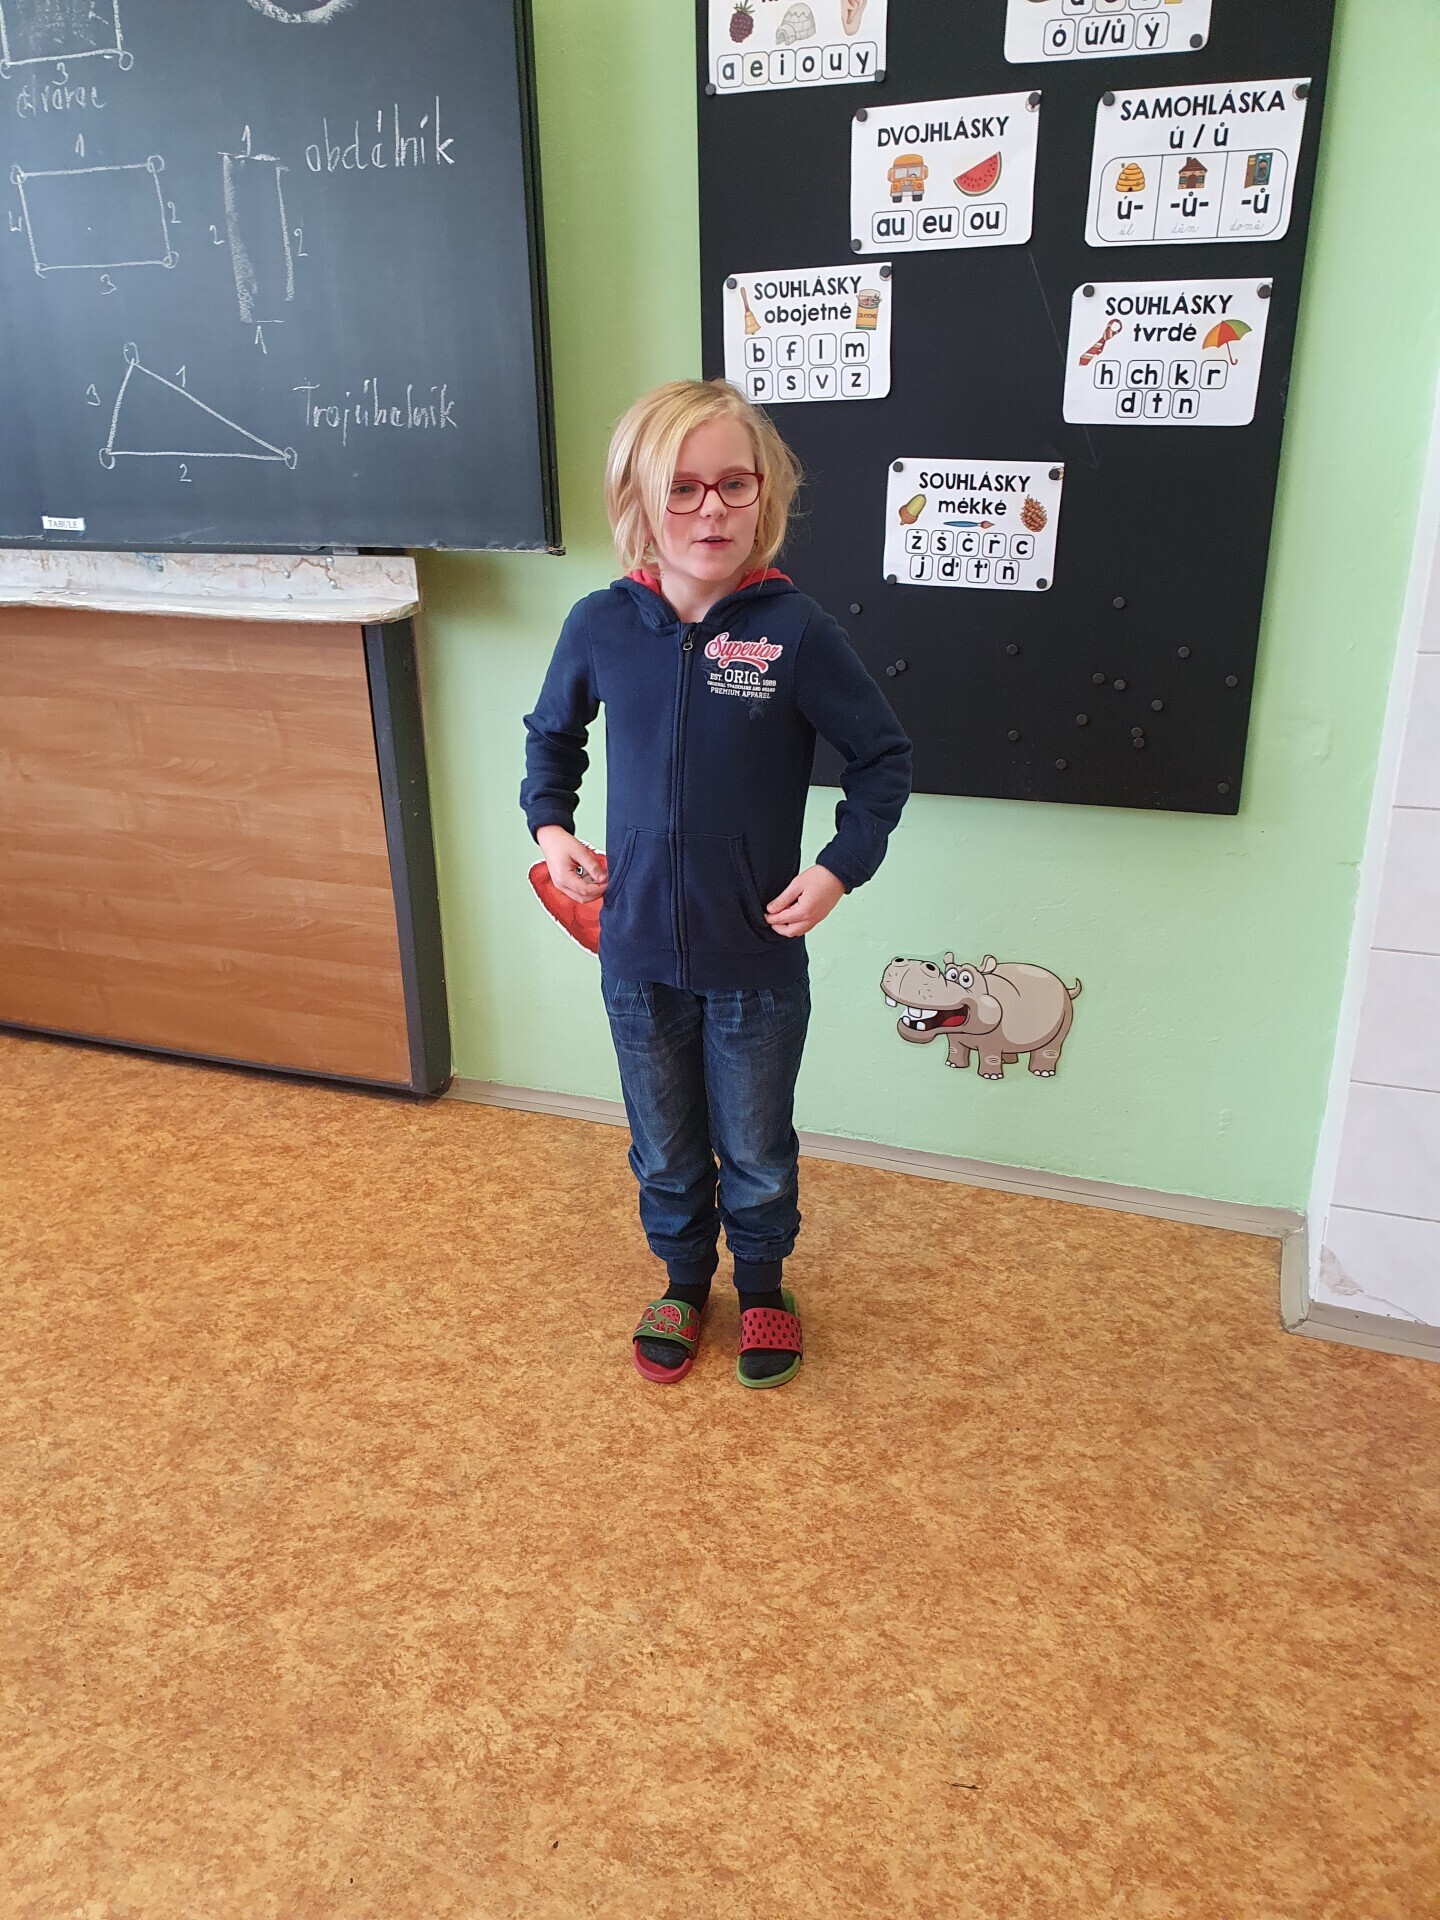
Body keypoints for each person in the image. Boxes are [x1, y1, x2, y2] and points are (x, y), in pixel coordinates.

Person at [520, 379, 911, 1388]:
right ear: (639, 500)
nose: (710, 511)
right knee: (663, 1146)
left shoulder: (795, 632)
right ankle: (685, 1281)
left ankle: (765, 1286)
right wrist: (551, 828)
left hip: (755, 963)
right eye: (682, 488)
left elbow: (882, 759)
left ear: (763, 493)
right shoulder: (601, 625)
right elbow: (551, 736)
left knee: (757, 1146)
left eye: (734, 484)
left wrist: (837, 869)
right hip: (636, 955)